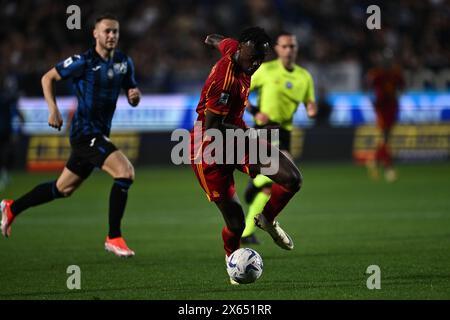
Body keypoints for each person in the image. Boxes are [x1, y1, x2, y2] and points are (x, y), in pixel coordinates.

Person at [1, 14, 141, 258]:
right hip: (85, 134)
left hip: (98, 133)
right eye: (106, 31)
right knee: (125, 172)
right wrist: (53, 109)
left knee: (62, 189)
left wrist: (133, 96)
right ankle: (113, 236)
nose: (111, 36)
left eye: (115, 32)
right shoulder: (83, 61)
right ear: (95, 34)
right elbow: (48, 78)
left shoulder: (123, 62)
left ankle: (12, 207)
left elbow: (130, 88)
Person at [190, 27, 304, 284]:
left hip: (236, 136)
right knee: (236, 224)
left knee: (292, 178)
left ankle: (267, 219)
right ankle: (233, 263)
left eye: (260, 59)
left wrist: (210, 39)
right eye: (252, 58)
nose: (255, 64)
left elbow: (219, 40)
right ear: (241, 49)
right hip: (209, 147)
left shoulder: (236, 50)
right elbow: (212, 128)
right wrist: (250, 133)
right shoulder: (225, 80)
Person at [241, 31, 317, 244]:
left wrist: (312, 108)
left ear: (297, 49)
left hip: (285, 131)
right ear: (276, 49)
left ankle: (247, 231)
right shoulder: (265, 70)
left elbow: (310, 102)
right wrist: (255, 111)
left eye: (292, 46)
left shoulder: (304, 76)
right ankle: (256, 186)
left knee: (269, 188)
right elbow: (243, 92)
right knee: (287, 174)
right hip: (265, 129)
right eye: (284, 46)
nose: (289, 50)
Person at [366, 49, 404, 182]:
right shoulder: (377, 74)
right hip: (381, 109)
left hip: (392, 108)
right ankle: (389, 167)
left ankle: (375, 161)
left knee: (385, 137)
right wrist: (374, 102)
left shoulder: (395, 74)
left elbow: (402, 87)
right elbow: (368, 87)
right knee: (385, 136)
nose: (387, 62)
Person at [0, 70, 25, 190]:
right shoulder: (7, 97)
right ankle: (4, 175)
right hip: (6, 129)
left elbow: (14, 111)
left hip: (5, 129)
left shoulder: (7, 97)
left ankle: (4, 175)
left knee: (6, 153)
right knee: (6, 153)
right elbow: (15, 111)